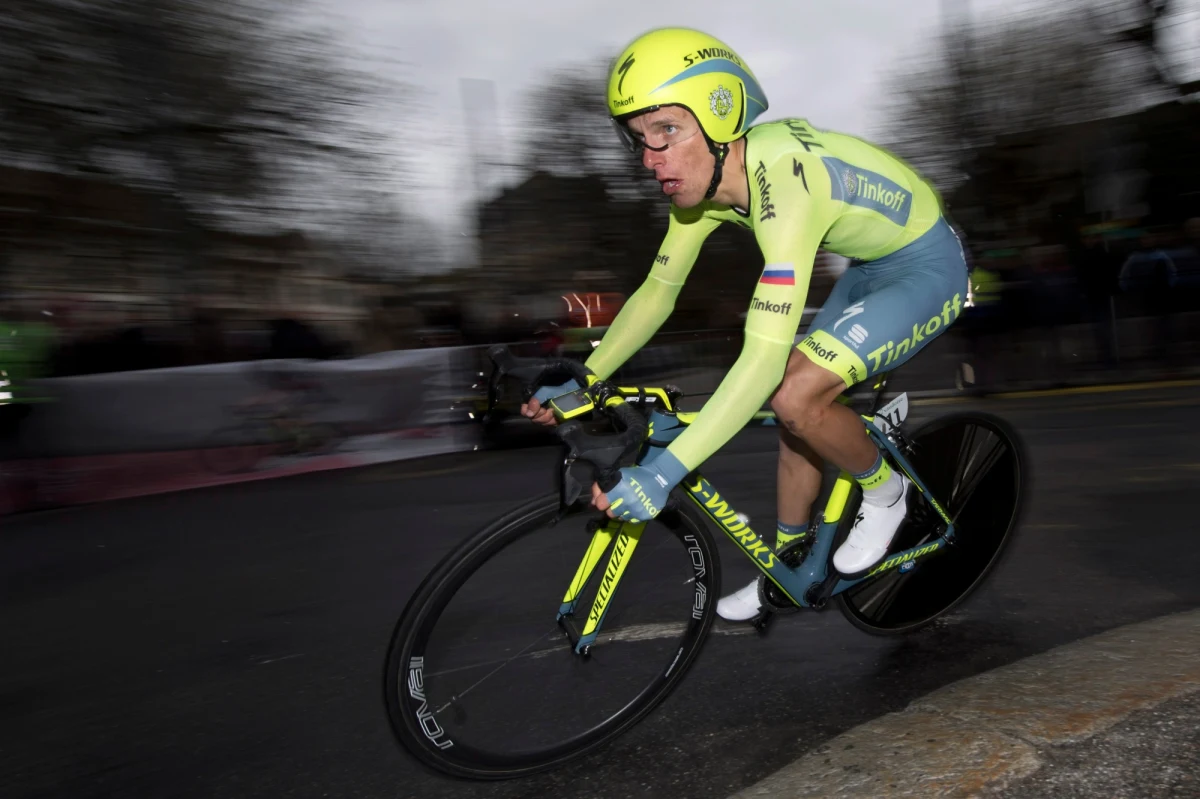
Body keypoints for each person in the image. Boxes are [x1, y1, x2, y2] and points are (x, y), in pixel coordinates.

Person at [521, 28, 968, 622]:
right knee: (795, 420)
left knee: (792, 393)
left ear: (719, 117)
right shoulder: (703, 190)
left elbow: (758, 363)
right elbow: (657, 294)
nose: (650, 157)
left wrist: (663, 473)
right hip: (868, 265)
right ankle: (788, 568)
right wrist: (584, 379)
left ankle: (887, 490)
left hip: (926, 266)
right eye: (640, 139)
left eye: (667, 131)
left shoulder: (785, 181)